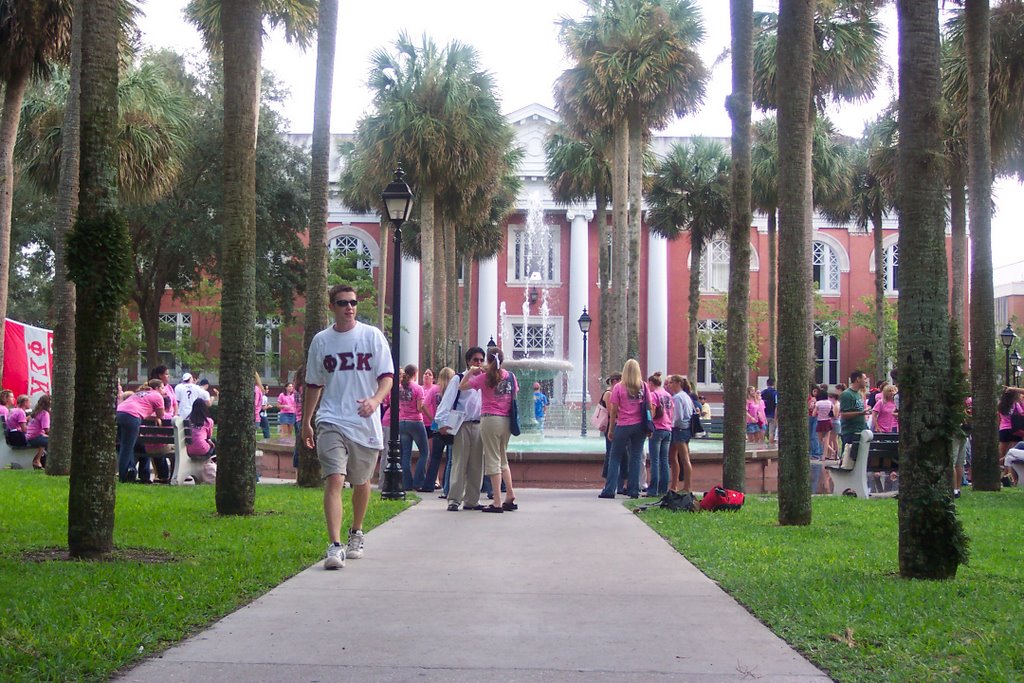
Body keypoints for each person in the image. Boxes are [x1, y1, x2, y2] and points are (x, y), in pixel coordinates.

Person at [303, 284, 394, 570]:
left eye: (353, 302)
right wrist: (306, 422)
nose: (349, 307)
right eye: (342, 303)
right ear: (332, 306)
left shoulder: (372, 336)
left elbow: (387, 377)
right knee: (334, 478)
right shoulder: (321, 341)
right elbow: (314, 384)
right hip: (331, 418)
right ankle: (334, 545)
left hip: (364, 422)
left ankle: (356, 531)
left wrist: (375, 401)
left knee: (362, 481)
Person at [461, 347, 519, 512]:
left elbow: (461, 386)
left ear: (488, 360)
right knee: (503, 459)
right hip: (507, 420)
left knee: (492, 459)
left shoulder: (483, 377)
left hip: (490, 419)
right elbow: (515, 394)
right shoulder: (510, 376)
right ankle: (510, 494)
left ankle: (497, 502)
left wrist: (471, 372)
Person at [435, 347, 486, 511]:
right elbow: (447, 400)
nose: (478, 363)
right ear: (468, 361)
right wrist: (442, 422)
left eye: (481, 360)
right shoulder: (458, 379)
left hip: (479, 424)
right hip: (461, 424)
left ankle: (472, 500)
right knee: (459, 462)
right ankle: (454, 499)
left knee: (477, 464)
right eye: (475, 360)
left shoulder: (484, 379)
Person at [600, 359, 654, 500]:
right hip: (640, 426)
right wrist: (650, 426)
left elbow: (613, 411)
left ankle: (610, 489)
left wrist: (611, 430)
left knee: (615, 457)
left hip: (623, 425)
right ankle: (633, 490)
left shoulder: (618, 387)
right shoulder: (643, 386)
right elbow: (649, 407)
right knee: (636, 457)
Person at [115, 379, 165, 482]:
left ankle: (128, 473)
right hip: (132, 417)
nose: (164, 391)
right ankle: (123, 477)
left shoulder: (140, 393)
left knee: (123, 447)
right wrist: (155, 417)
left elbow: (142, 410)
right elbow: (161, 415)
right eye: (162, 388)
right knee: (127, 448)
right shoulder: (157, 396)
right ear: (156, 388)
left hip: (119, 413)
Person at [419, 367, 455, 493]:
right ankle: (447, 486)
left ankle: (428, 485)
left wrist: (433, 419)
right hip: (451, 426)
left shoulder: (434, 389)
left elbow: (423, 405)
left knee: (435, 457)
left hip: (438, 426)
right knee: (451, 459)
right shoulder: (454, 389)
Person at [398, 365, 431, 490]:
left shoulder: (400, 388)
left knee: (406, 453)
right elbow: (419, 408)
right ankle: (418, 482)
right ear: (415, 373)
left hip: (402, 421)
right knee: (424, 452)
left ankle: (406, 483)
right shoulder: (418, 388)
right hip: (416, 422)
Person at [666, 375, 695, 492]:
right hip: (685, 429)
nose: (669, 385)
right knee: (673, 457)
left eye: (671, 383)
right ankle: (674, 485)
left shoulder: (677, 398)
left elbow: (678, 417)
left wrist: (670, 424)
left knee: (684, 458)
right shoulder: (686, 396)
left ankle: (687, 486)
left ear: (678, 383)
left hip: (679, 429)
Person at [647, 373, 673, 497]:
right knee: (664, 460)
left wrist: (648, 425)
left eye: (648, 384)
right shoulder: (668, 395)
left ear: (651, 383)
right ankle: (663, 489)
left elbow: (652, 411)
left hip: (657, 428)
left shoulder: (653, 395)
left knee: (655, 460)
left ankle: (653, 489)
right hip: (668, 429)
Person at [839, 371, 871, 449]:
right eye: (864, 378)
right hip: (850, 432)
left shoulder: (859, 394)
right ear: (858, 379)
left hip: (861, 430)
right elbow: (843, 414)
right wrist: (861, 413)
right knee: (848, 458)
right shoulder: (847, 394)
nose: (866, 381)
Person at [26, 394, 51, 469]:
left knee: (45, 440)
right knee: (54, 442)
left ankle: (38, 460)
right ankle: (38, 461)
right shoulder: (45, 414)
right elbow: (46, 429)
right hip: (35, 437)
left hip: (30, 436)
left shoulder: (36, 412)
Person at [761, 378, 778, 444]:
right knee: (771, 432)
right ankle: (770, 447)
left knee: (763, 432)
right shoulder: (775, 393)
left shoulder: (762, 393)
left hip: (763, 415)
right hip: (772, 415)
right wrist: (776, 417)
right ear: (774, 384)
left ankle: (763, 446)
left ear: (767, 384)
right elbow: (776, 405)